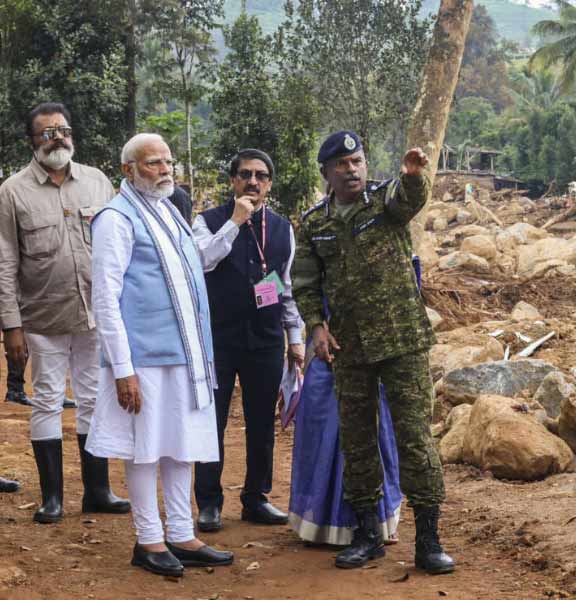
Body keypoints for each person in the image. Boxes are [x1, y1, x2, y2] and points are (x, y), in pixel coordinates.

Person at [292, 131, 454, 574]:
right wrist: (316, 327)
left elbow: (410, 201)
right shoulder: (315, 224)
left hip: (402, 342)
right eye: (342, 165)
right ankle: (367, 534)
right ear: (326, 172)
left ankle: (428, 538)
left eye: (358, 161)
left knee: (415, 440)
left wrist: (414, 176)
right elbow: (304, 284)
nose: (352, 170)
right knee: (358, 440)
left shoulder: (385, 202)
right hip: (350, 348)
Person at [87, 133, 232, 577]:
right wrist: (122, 369)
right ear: (129, 170)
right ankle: (149, 539)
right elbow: (105, 298)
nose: (166, 170)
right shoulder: (116, 217)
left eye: (168, 162)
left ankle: (182, 534)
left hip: (185, 355)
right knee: (145, 451)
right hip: (144, 359)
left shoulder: (168, 210)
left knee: (180, 446)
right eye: (153, 163)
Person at [0, 102, 130, 523]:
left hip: (96, 314)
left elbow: (119, 248)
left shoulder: (96, 181)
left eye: (63, 130)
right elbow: (4, 261)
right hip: (42, 316)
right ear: (31, 142)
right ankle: (52, 498)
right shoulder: (12, 191)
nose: (58, 138)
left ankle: (98, 491)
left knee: (93, 399)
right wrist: (11, 325)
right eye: (47, 133)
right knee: (48, 401)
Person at [191, 149, 304, 532]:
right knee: (212, 421)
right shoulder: (207, 221)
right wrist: (236, 222)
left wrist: (296, 337)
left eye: (260, 176)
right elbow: (201, 261)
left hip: (266, 339)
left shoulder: (282, 228)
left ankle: (256, 498)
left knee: (261, 424)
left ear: (269, 183)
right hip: (218, 340)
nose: (252, 182)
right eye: (244, 175)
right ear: (232, 181)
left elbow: (287, 287)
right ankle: (208, 502)